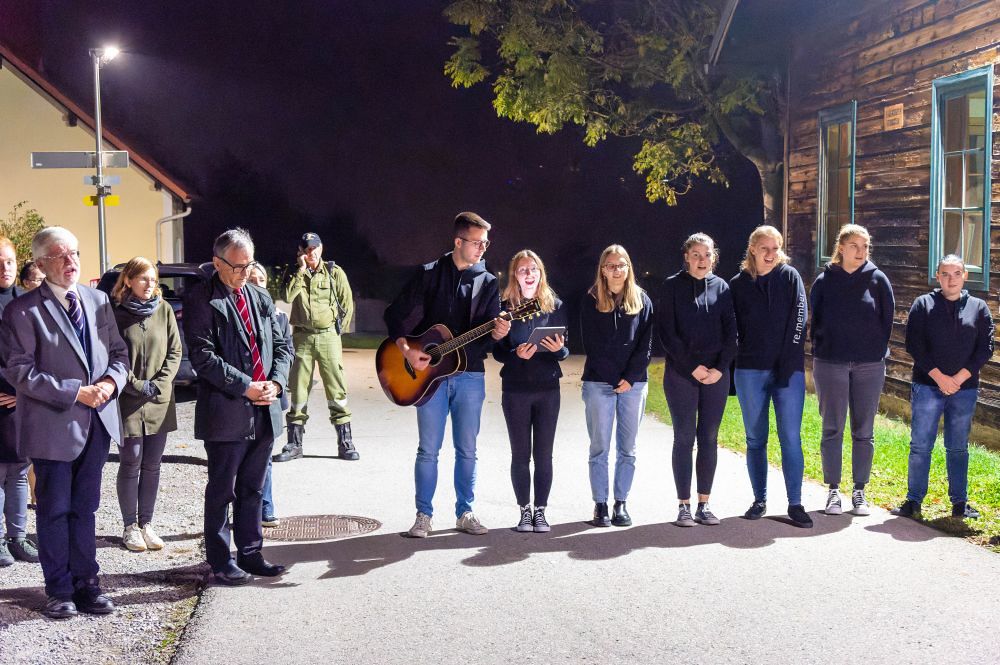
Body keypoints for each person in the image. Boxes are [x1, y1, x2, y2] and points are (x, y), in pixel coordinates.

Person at [0, 226, 129, 619]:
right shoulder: (22, 311)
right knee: (55, 511)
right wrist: (76, 392)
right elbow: (20, 371)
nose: (71, 262)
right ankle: (59, 591)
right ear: (41, 263)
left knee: (85, 509)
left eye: (75, 253)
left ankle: (88, 584)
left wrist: (110, 383)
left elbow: (119, 354)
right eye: (61, 255)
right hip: (52, 427)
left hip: (97, 423)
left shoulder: (98, 300)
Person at [384, 212, 510, 538]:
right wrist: (407, 350)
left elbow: (488, 337)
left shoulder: (488, 282)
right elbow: (394, 315)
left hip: (470, 376)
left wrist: (498, 334)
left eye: (486, 243)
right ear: (458, 241)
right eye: (477, 242)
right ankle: (423, 516)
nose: (483, 248)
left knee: (467, 449)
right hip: (429, 380)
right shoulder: (428, 274)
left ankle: (465, 512)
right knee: (428, 449)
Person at [183, 228, 292, 585]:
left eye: (250, 264)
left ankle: (251, 553)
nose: (246, 272)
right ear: (217, 263)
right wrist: (247, 387)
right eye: (238, 266)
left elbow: (282, 346)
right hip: (227, 412)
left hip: (265, 410)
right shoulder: (202, 299)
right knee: (222, 490)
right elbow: (203, 357)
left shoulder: (260, 296)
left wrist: (276, 383)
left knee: (253, 488)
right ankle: (220, 560)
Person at [893, 255, 993, 520]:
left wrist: (957, 379)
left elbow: (985, 348)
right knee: (921, 445)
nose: (951, 279)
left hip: (964, 389)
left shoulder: (979, 307)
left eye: (957, 273)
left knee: (958, 447)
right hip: (927, 386)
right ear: (937, 276)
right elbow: (914, 345)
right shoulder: (923, 304)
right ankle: (913, 501)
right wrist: (940, 378)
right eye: (945, 274)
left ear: (965, 276)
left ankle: (959, 503)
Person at [729, 225, 812, 528]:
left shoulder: (789, 277)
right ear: (752, 249)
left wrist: (786, 364)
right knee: (755, 438)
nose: (770, 254)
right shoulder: (737, 284)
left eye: (775, 248)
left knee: (790, 437)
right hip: (750, 370)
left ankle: (796, 503)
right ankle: (759, 500)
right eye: (764, 248)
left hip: (788, 370)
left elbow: (800, 318)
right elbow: (731, 326)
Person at [810, 224, 894, 517]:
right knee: (832, 428)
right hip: (830, 363)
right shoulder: (824, 281)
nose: (861, 252)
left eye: (865, 246)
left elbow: (887, 321)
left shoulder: (878, 280)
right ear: (841, 248)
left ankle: (859, 491)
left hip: (868, 365)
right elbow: (816, 320)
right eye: (855, 246)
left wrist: (874, 352)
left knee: (864, 431)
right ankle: (833, 491)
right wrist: (824, 349)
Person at [657, 233, 736, 527]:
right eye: (696, 255)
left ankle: (704, 504)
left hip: (717, 375)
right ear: (686, 258)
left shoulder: (722, 287)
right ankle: (683, 506)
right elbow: (667, 334)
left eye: (707, 255)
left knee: (709, 438)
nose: (702, 260)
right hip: (682, 373)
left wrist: (719, 369)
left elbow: (732, 333)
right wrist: (692, 367)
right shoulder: (671, 286)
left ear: (714, 257)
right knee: (684, 437)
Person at [492, 250, 569, 532]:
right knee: (520, 454)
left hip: (548, 388)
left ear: (541, 273)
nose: (529, 274)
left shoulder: (555, 305)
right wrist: (515, 354)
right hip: (515, 388)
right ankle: (524, 511)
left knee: (544, 455)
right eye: (523, 269)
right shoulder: (504, 309)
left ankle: (541, 512)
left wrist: (558, 349)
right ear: (515, 274)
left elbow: (565, 350)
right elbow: (497, 352)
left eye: (533, 269)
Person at [111, 258, 181, 552]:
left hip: (158, 400)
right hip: (128, 399)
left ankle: (147, 524)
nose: (150, 284)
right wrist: (137, 385)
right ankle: (130, 527)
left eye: (153, 279)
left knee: (152, 465)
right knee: (131, 462)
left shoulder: (164, 310)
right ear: (128, 280)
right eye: (143, 279)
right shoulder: (115, 313)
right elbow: (111, 356)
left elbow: (175, 352)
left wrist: (159, 384)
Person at [580, 244, 653, 528]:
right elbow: (591, 344)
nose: (617, 270)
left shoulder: (642, 300)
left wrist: (630, 378)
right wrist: (613, 379)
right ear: (603, 270)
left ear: (628, 267)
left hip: (634, 384)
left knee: (628, 448)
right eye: (611, 265)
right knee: (599, 447)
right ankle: (600, 504)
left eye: (621, 265)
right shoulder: (591, 299)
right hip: (599, 382)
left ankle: (621, 503)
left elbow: (646, 344)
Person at [272, 232, 357, 462]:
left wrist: (337, 331)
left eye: (315, 248)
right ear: (301, 251)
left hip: (329, 336)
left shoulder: (334, 272)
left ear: (321, 248)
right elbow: (287, 296)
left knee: (336, 389)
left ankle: (345, 442)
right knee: (298, 391)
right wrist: (300, 270)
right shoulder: (293, 272)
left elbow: (347, 303)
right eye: (307, 249)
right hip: (302, 338)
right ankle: (294, 444)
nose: (312, 253)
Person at [0, 237, 39, 568]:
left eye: (10, 261)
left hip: (20, 402)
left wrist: (24, 393)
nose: (5, 268)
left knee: (18, 472)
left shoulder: (25, 303)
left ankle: (18, 537)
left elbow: (39, 353)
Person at [247, 264, 294, 528]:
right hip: (245, 395)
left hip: (271, 396)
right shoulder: (238, 313)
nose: (257, 283)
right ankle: (242, 508)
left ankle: (266, 507)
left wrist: (275, 384)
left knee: (264, 456)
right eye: (251, 279)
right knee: (242, 457)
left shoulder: (279, 316)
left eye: (261, 279)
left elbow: (287, 351)